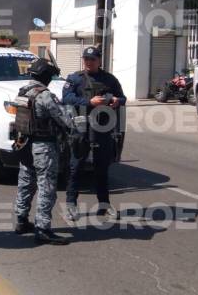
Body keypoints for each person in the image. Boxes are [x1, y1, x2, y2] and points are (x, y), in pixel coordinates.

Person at [13, 58, 74, 245]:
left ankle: (21, 220)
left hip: (24, 144)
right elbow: (66, 120)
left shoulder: (22, 92)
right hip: (44, 148)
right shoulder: (45, 95)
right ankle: (43, 229)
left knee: (25, 184)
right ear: (45, 76)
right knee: (46, 187)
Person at [62, 46, 126, 221]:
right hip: (81, 129)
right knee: (76, 167)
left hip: (102, 129)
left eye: (92, 59)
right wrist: (89, 102)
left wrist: (115, 101)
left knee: (101, 168)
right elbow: (66, 98)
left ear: (99, 61)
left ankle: (104, 205)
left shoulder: (109, 79)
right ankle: (71, 204)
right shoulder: (75, 78)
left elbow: (123, 98)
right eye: (86, 59)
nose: (89, 62)